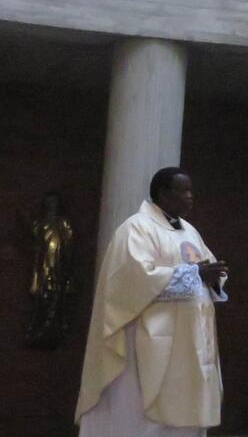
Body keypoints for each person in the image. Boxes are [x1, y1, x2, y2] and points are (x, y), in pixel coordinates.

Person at [76, 167, 229, 437]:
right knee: (141, 416)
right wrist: (195, 274)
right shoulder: (136, 229)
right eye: (184, 191)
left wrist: (214, 277)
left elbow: (207, 271)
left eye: (191, 190)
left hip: (188, 342)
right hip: (148, 345)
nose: (191, 196)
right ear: (163, 193)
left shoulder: (189, 232)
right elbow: (135, 281)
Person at [25, 191, 76, 347]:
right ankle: (39, 327)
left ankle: (52, 327)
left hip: (59, 266)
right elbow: (34, 239)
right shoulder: (41, 223)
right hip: (43, 265)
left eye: (54, 203)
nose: (52, 206)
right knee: (42, 296)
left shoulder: (63, 224)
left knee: (56, 296)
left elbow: (69, 244)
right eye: (49, 203)